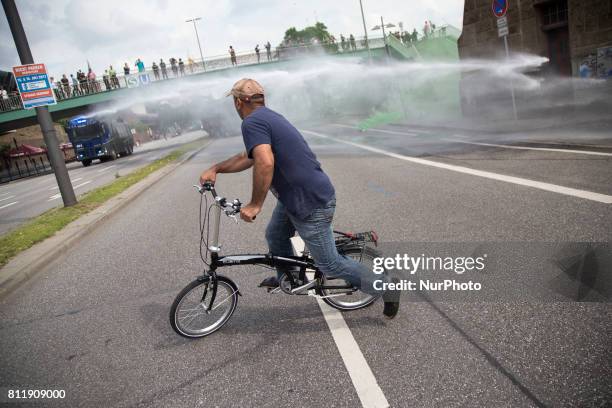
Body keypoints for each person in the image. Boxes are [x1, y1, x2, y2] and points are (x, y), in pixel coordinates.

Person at [198, 78, 400, 319]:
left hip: (309, 201)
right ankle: (291, 277)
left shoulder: (252, 122)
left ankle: (387, 287)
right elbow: (249, 156)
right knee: (275, 234)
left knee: (330, 264)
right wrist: (216, 168)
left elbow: (264, 161)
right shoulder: (269, 117)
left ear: (239, 102)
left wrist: (255, 204)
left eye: (234, 101)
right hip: (296, 197)